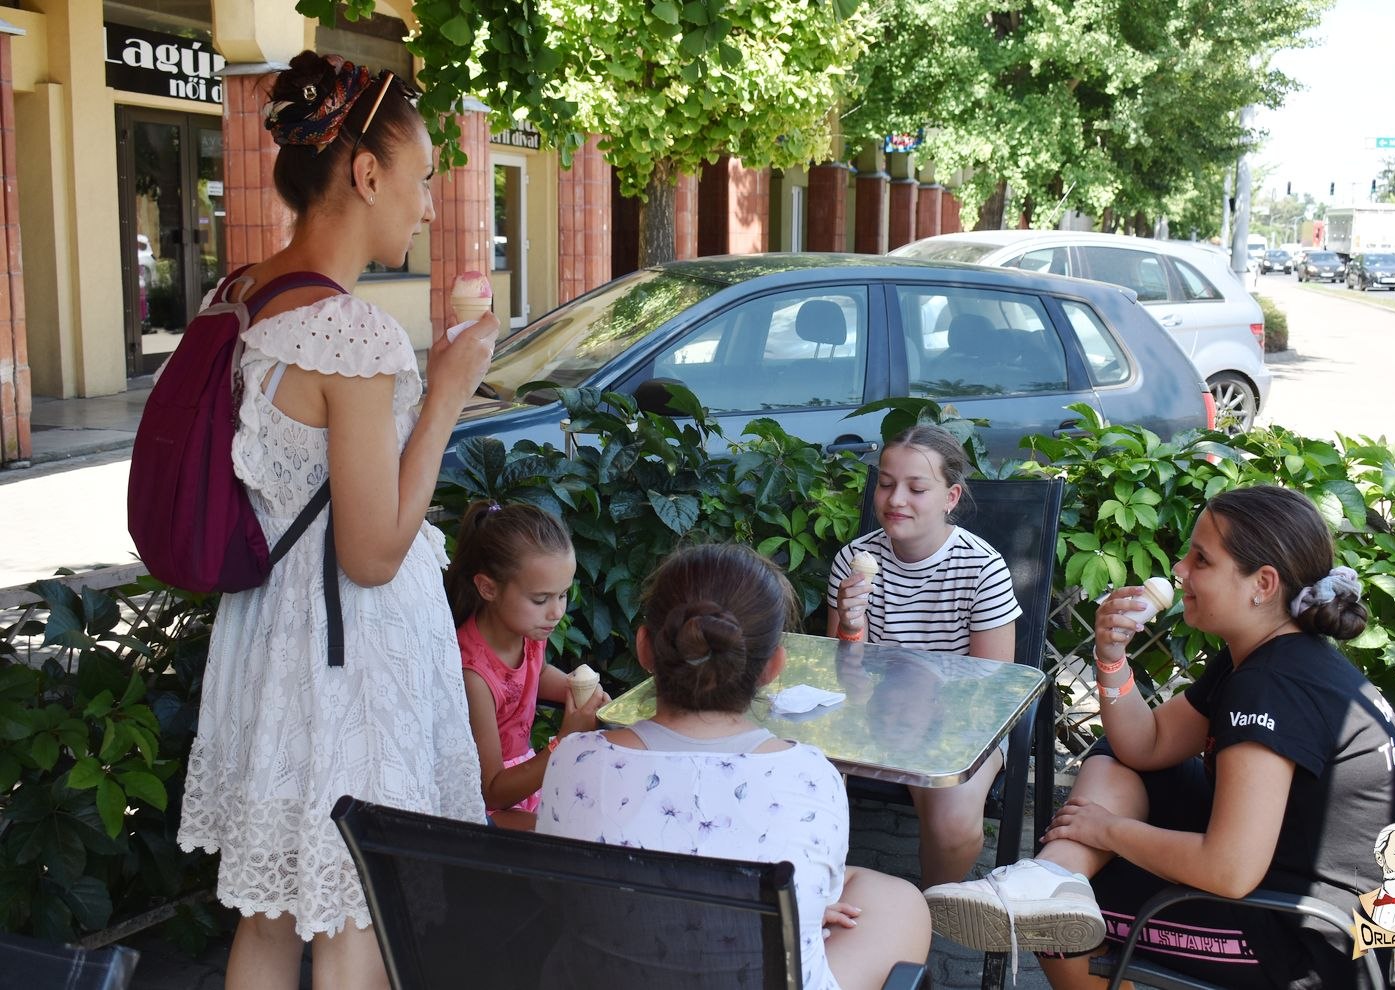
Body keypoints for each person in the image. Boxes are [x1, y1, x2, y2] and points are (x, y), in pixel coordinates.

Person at [175, 52, 499, 989]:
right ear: (366, 173)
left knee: (272, 919)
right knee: (358, 914)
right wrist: (446, 393)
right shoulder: (350, 333)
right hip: (345, 664)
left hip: (268, 639)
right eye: (423, 178)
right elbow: (372, 553)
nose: (428, 206)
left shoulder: (240, 295)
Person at [923, 485, 1395, 989]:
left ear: (1263, 584)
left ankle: (1048, 888)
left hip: (1320, 944)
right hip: (1306, 894)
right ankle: (1050, 877)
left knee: (1059, 925)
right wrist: (1110, 657)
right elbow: (1147, 744)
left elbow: (1229, 869)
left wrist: (1108, 830)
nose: (1180, 569)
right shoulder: (1268, 654)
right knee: (1117, 765)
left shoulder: (1272, 685)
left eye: (1201, 559)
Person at [538, 544, 931, 990]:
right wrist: (808, 909)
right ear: (774, 667)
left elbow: (559, 893)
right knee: (900, 901)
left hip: (607, 974)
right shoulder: (811, 775)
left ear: (644, 649)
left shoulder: (574, 760)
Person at [827, 424, 1020, 886]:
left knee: (953, 825)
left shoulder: (981, 568)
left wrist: (918, 715)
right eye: (886, 484)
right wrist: (850, 626)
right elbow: (843, 679)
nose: (896, 500)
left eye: (916, 488)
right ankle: (818, 896)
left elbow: (990, 694)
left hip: (958, 720)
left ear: (951, 497)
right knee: (807, 781)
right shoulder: (853, 560)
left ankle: (929, 908)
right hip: (870, 710)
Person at [444, 499, 607, 828]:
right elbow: (491, 792)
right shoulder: (473, 674)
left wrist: (575, 692)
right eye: (541, 599)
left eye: (563, 594)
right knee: (567, 834)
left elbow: (537, 672)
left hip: (525, 778)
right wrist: (565, 739)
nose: (556, 612)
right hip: (487, 806)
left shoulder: (527, 630)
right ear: (488, 588)